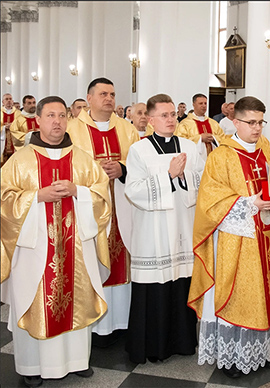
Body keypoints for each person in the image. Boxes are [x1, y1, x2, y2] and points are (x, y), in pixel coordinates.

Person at [1, 96, 111, 387]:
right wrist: (37, 197)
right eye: (50, 115)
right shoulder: (20, 160)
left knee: (77, 297)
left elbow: (102, 199)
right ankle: (31, 366)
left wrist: (79, 192)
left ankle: (76, 362)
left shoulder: (83, 159)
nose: (57, 122)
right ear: (37, 120)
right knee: (34, 301)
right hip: (34, 251)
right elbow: (4, 200)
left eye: (62, 115)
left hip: (77, 248)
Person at [188, 96, 270, 378]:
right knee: (240, 294)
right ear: (235, 123)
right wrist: (248, 204)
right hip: (237, 242)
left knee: (264, 293)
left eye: (261, 122)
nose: (257, 128)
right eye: (251, 122)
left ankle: (260, 351)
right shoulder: (222, 156)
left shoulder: (267, 153)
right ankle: (232, 357)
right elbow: (210, 200)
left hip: (267, 238)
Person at [124, 94, 204, 364]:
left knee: (182, 283)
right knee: (154, 287)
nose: (171, 120)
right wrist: (167, 175)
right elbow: (133, 190)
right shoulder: (139, 150)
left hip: (182, 226)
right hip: (153, 231)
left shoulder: (190, 147)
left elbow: (203, 180)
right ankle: (153, 346)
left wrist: (185, 176)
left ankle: (183, 343)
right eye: (164, 115)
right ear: (150, 119)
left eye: (173, 114)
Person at [67, 77, 140, 346]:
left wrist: (122, 169)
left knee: (123, 258)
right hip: (88, 208)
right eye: (102, 94)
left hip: (122, 204)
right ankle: (94, 325)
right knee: (91, 259)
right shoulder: (72, 130)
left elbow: (137, 163)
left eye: (112, 93)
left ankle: (121, 321)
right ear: (89, 99)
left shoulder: (127, 128)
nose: (109, 98)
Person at [175, 93, 224, 160]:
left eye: (205, 103)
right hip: (194, 160)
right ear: (193, 104)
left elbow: (223, 139)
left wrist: (214, 138)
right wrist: (200, 138)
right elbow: (180, 141)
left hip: (213, 160)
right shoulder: (185, 124)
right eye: (201, 103)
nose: (204, 106)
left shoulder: (213, 123)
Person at [1, 93, 21, 165]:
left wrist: (13, 126)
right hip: (2, 141)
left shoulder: (18, 113)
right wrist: (3, 128)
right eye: (6, 99)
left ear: (12, 101)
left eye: (10, 99)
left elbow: (21, 127)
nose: (9, 101)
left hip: (14, 141)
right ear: (3, 102)